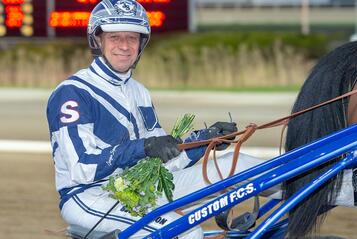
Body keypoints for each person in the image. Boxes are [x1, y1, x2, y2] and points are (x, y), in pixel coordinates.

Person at [46, 0, 268, 238]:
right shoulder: (73, 93)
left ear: (141, 44)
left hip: (142, 187)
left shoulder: (139, 92)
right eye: (115, 38)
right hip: (91, 196)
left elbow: (163, 162)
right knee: (186, 232)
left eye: (132, 38)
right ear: (97, 40)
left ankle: (306, 196)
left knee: (237, 165)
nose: (124, 46)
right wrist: (143, 147)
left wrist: (204, 141)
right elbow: (80, 168)